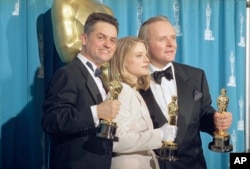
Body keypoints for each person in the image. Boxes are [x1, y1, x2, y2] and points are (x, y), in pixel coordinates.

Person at [138, 16, 233, 169]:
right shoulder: (131, 81)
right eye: (162, 39)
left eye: (173, 38)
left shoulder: (196, 75)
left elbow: (203, 113)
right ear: (145, 45)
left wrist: (216, 120)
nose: (171, 44)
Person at [42, 12, 121, 169]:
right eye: (101, 37)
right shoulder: (68, 74)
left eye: (112, 40)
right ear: (84, 39)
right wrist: (96, 112)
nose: (108, 44)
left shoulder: (101, 78)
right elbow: (52, 121)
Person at [109, 37, 177, 169]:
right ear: (123, 61)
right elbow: (116, 140)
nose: (147, 60)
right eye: (139, 56)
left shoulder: (133, 91)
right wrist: (160, 134)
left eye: (146, 55)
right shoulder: (122, 91)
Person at [51, 0, 113, 85]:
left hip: (108, 85)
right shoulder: (65, 3)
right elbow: (67, 50)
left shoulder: (106, 10)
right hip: (81, 81)